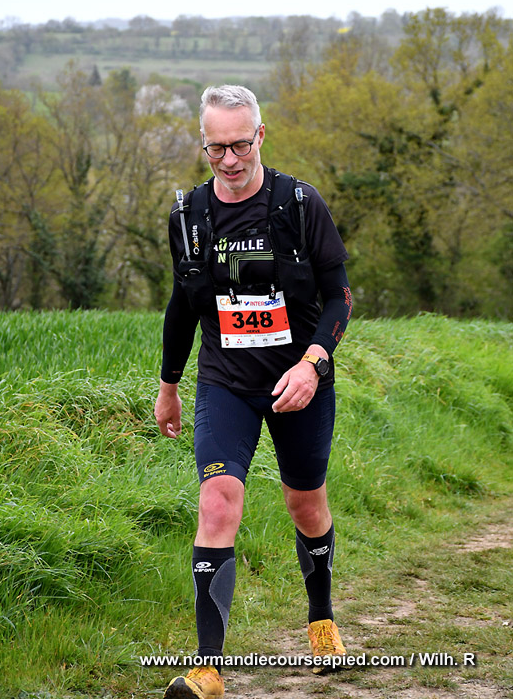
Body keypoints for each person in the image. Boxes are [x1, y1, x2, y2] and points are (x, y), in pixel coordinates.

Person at [154, 85, 352, 699]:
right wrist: (168, 385)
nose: (230, 160)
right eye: (216, 148)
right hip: (226, 383)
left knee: (305, 504)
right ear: (203, 144)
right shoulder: (188, 217)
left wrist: (313, 364)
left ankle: (321, 619)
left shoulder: (300, 203)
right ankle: (208, 669)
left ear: (260, 135)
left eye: (240, 144)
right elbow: (182, 306)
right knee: (217, 502)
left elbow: (340, 297)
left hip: (299, 383)